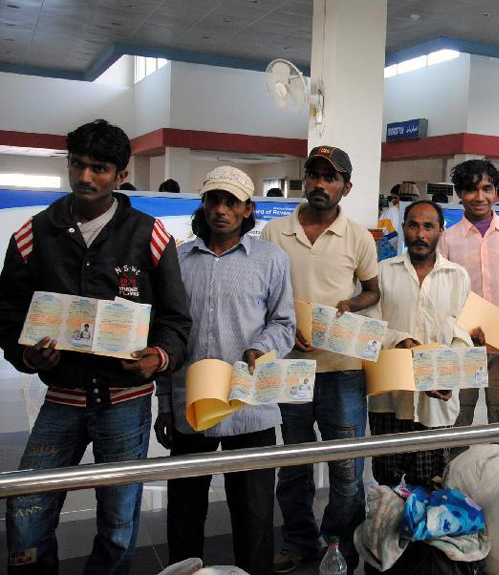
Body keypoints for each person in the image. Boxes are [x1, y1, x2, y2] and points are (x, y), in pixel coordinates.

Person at [0, 119, 191, 574]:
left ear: (121, 175)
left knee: (119, 523)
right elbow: (6, 313)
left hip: (124, 403)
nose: (86, 177)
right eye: (78, 164)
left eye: (99, 168)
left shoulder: (151, 235)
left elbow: (176, 319)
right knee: (27, 509)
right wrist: (25, 354)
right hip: (61, 399)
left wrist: (159, 355)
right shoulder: (34, 235)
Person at [154, 166, 296, 574]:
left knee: (253, 515)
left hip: (249, 405)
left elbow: (284, 323)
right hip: (191, 407)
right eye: (214, 200)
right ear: (203, 205)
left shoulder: (270, 260)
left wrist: (260, 347)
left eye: (231, 202)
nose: (221, 210)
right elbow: (166, 333)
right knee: (184, 512)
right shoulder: (178, 261)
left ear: (248, 209)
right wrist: (165, 405)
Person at [261, 145, 379, 574]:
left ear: (346, 188)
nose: (319, 184)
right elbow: (265, 294)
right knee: (293, 466)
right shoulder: (275, 233)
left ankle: (339, 545)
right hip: (290, 367)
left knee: (348, 471)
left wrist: (352, 304)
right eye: (313, 175)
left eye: (330, 178)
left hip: (342, 370)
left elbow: (373, 290)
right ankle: (298, 543)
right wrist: (284, 327)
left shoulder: (359, 237)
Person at [367, 200, 473, 486]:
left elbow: (462, 333)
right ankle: (388, 531)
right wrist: (401, 341)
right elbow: (371, 327)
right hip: (390, 397)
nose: (420, 234)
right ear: (403, 228)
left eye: (429, 226)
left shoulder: (457, 276)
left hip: (435, 402)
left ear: (441, 230)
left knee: (430, 481)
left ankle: (423, 532)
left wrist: (451, 375)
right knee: (387, 482)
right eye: (413, 225)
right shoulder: (384, 272)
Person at [438, 159, 499, 435]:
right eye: (471, 190)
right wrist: (462, 328)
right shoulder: (447, 239)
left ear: (496, 192)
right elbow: (441, 293)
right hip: (463, 343)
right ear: (460, 194)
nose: (480, 197)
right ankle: (454, 475)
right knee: (458, 419)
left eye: (487, 188)